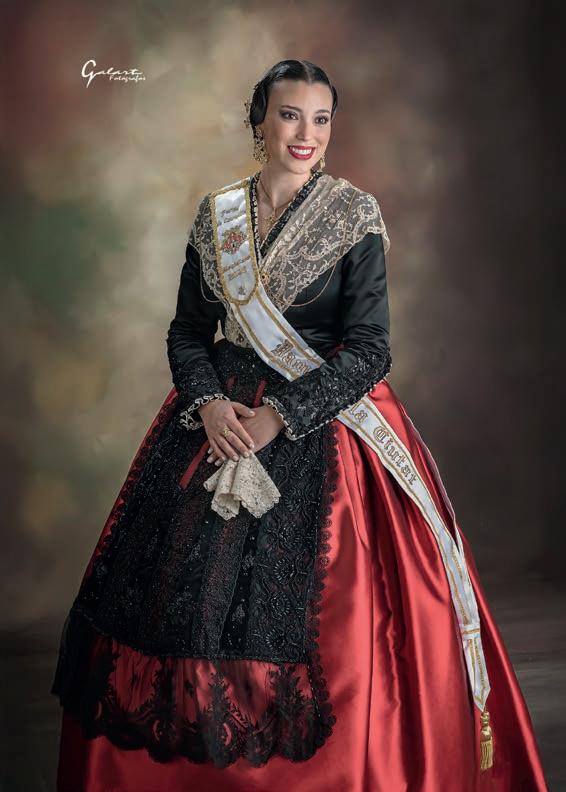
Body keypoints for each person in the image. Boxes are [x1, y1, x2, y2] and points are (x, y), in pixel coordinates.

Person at [50, 59, 549, 792]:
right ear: (260, 121)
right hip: (218, 420)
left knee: (329, 629)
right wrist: (209, 404)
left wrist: (279, 417)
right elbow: (188, 331)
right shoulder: (217, 215)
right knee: (175, 614)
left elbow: (370, 349)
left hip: (325, 426)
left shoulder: (354, 215)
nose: (306, 133)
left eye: (321, 118)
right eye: (290, 115)